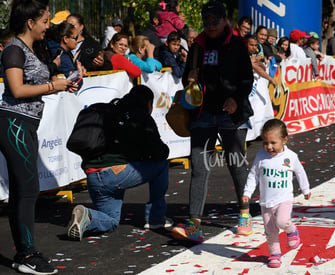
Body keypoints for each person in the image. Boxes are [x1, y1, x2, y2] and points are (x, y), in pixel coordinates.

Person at [0, 0, 75, 273]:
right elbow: (17, 90)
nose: (47, 27)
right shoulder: (13, 49)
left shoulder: (31, 48)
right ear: (30, 22)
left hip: (26, 124)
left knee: (24, 189)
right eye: (44, 21)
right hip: (14, 123)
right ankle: (26, 254)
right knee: (28, 189)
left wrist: (60, 85)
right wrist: (51, 85)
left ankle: (25, 252)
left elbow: (37, 85)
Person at [171, 1, 254, 242]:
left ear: (225, 20)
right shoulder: (197, 46)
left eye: (214, 21)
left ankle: (244, 213)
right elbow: (188, 78)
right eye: (206, 21)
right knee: (199, 168)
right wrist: (190, 76)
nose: (209, 25)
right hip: (203, 113)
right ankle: (194, 223)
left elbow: (246, 80)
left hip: (231, 115)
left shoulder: (237, 44)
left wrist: (236, 100)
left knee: (236, 164)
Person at [67, 85, 173, 241]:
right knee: (162, 165)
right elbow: (158, 152)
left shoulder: (110, 111)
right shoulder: (139, 116)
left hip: (93, 177)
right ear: (149, 102)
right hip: (116, 174)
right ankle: (156, 218)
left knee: (111, 221)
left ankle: (88, 216)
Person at [242, 119, 311, 268]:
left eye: (273, 143)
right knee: (270, 231)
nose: (269, 147)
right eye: (265, 143)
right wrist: (247, 191)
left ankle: (292, 230)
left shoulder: (290, 157)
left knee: (282, 221)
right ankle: (275, 255)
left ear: (284, 140)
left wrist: (305, 189)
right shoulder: (261, 156)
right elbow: (253, 175)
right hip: (266, 202)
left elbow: (300, 172)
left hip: (284, 199)